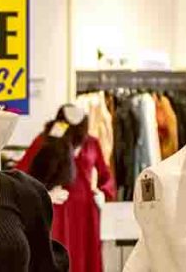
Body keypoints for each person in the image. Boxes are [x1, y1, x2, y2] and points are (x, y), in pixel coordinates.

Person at [17, 104, 115, 272]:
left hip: (86, 211)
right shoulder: (46, 140)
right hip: (58, 210)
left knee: (85, 258)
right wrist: (44, 195)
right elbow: (20, 175)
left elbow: (106, 177)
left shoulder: (91, 143)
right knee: (57, 256)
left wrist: (103, 193)